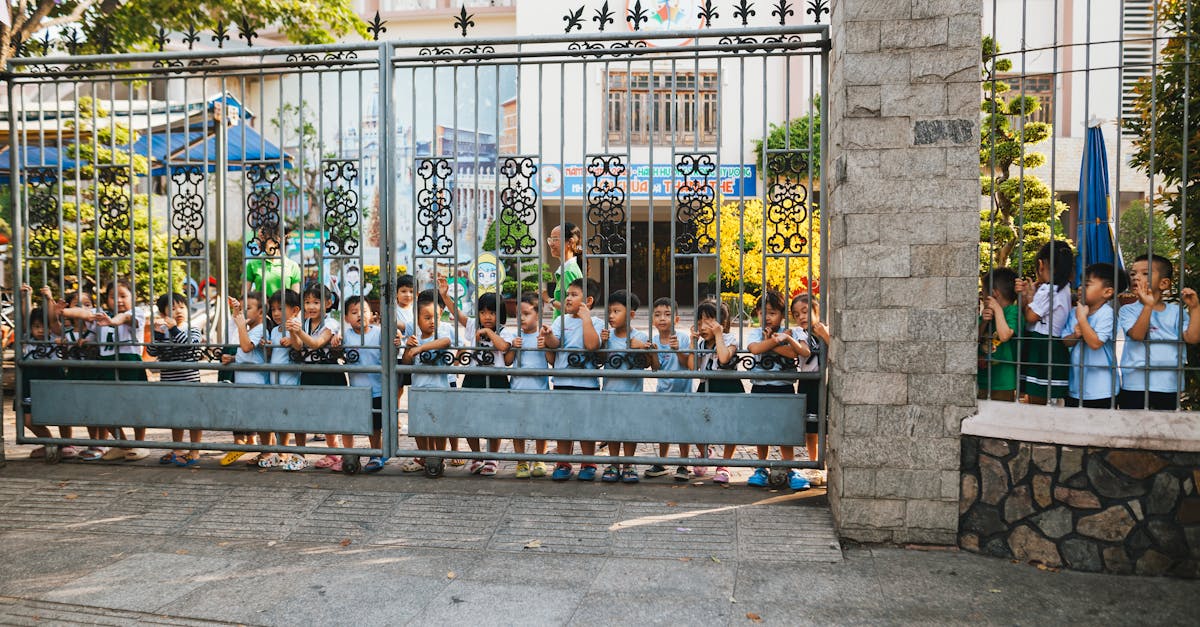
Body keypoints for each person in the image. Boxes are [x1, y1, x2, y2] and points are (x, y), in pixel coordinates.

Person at [745, 289, 810, 492]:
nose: (767, 316)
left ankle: (790, 468)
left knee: (785, 430)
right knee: (761, 430)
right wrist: (775, 341)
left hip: (784, 387)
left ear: (782, 315)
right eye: (762, 312)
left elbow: (793, 353)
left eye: (772, 312)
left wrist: (771, 343)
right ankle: (761, 467)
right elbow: (755, 349)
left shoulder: (792, 333)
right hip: (760, 387)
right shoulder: (756, 332)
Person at [1118, 254, 1200, 410]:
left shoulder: (1176, 312)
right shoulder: (1127, 310)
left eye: (1145, 273)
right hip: (1136, 383)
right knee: (1132, 428)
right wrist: (1148, 306)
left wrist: (1194, 308)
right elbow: (1137, 335)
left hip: (1169, 383)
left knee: (1164, 428)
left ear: (1164, 283)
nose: (1136, 278)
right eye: (1133, 273)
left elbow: (1192, 338)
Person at [455, 293, 516, 477]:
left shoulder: (504, 331)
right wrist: (445, 296)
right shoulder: (474, 325)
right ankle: (476, 455)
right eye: (482, 312)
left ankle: (492, 456)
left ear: (500, 313)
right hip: (474, 377)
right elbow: (458, 315)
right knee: (469, 416)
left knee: (494, 418)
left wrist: (489, 332)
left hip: (496, 378)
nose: (487, 317)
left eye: (491, 312)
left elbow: (504, 347)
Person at [550, 277, 604, 482]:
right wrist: (547, 337)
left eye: (574, 295)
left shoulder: (597, 323)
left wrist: (586, 319)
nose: (568, 299)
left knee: (586, 425)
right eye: (567, 295)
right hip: (562, 381)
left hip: (587, 383)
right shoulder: (560, 321)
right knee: (564, 424)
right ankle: (563, 462)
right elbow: (555, 344)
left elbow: (592, 346)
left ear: (587, 301)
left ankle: (588, 462)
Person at [599, 290, 656, 484]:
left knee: (630, 429)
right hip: (610, 392)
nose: (611, 316)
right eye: (609, 311)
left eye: (616, 311)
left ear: (631, 314)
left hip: (633, 393)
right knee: (613, 428)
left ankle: (629, 464)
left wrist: (643, 347)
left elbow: (651, 365)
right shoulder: (608, 337)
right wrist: (602, 343)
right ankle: (614, 462)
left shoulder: (640, 336)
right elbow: (599, 361)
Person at [92, 279, 150, 461]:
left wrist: (113, 321)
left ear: (133, 297)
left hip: (130, 363)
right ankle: (122, 444)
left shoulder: (137, 313)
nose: (118, 300)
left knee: (136, 405)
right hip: (107, 364)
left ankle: (139, 444)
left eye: (123, 296)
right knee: (105, 406)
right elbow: (84, 316)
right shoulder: (100, 316)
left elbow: (124, 318)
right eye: (112, 296)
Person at [147, 292, 206, 467]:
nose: (178, 311)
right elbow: (151, 352)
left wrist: (173, 329)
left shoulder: (192, 329)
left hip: (189, 381)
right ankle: (177, 449)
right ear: (164, 313)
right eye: (172, 308)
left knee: (193, 416)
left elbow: (188, 345)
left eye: (181, 307)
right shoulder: (163, 332)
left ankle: (194, 450)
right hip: (169, 381)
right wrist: (157, 334)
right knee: (176, 417)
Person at [293, 285, 348, 472]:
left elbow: (316, 344)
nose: (311, 306)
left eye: (316, 302)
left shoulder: (331, 323)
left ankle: (336, 452)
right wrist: (294, 334)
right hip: (309, 371)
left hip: (328, 372)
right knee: (313, 411)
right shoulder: (305, 323)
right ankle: (319, 453)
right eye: (307, 302)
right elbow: (299, 346)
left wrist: (298, 331)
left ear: (329, 303)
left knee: (332, 412)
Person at [402, 289, 455, 474]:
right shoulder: (414, 336)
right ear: (417, 319)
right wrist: (409, 348)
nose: (432, 321)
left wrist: (421, 348)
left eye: (435, 317)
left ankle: (439, 456)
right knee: (420, 426)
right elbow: (407, 362)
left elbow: (446, 342)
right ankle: (424, 456)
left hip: (439, 388)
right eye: (427, 317)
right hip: (418, 388)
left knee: (438, 425)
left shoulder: (443, 331)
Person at [1016, 240, 1075, 404]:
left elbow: (1030, 316)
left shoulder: (1049, 289)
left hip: (1042, 345)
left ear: (1041, 265)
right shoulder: (1063, 288)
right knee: (1043, 393)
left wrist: (1028, 296)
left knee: (1037, 394)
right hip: (1051, 343)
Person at [333, 295, 387, 472]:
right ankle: (349, 453)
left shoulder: (379, 332)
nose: (359, 315)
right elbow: (337, 352)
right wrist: (336, 345)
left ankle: (375, 454)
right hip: (356, 389)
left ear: (371, 314)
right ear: (347, 318)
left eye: (363, 311)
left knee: (375, 425)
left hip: (377, 389)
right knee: (351, 423)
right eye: (354, 312)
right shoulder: (345, 336)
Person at [1061, 263, 1127, 408]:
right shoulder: (1074, 312)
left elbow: (1096, 343)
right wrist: (1076, 334)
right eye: (1080, 284)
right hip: (1076, 386)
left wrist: (1083, 320)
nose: (1080, 288)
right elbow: (1065, 341)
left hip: (1103, 389)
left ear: (1107, 292)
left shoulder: (1106, 313)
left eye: (1087, 285)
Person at [646, 297, 696, 481]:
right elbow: (656, 368)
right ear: (652, 319)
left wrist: (677, 350)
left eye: (667, 315)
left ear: (676, 319)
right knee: (663, 426)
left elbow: (687, 363)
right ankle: (662, 461)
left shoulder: (681, 337)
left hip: (682, 390)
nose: (662, 318)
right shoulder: (655, 340)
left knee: (683, 426)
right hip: (663, 390)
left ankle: (684, 463)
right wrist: (652, 353)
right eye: (658, 315)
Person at [509, 293, 558, 478]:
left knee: (540, 425)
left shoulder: (543, 334)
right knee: (518, 425)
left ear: (538, 314)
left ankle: (539, 458)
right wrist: (513, 347)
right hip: (518, 388)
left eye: (526, 313)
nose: (521, 317)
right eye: (517, 313)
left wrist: (545, 346)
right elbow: (507, 362)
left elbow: (552, 361)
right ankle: (521, 461)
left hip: (539, 389)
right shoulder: (515, 336)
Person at [694, 299, 741, 485]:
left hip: (728, 386)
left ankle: (724, 465)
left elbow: (723, 358)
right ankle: (706, 452)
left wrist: (719, 335)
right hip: (706, 385)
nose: (703, 326)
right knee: (696, 422)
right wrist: (691, 341)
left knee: (730, 427)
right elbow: (693, 369)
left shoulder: (729, 339)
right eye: (700, 322)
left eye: (708, 321)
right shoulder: (700, 343)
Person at [17, 299, 69, 459]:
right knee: (28, 419)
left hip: (52, 375)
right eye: (37, 326)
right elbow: (26, 316)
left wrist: (48, 297)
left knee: (61, 414)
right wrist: (28, 295)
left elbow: (53, 319)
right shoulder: (27, 338)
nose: (40, 330)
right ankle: (50, 442)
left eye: (44, 326)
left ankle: (67, 444)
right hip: (31, 377)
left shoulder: (55, 335)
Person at [225, 292, 269, 465]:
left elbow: (246, 347)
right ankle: (263, 452)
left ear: (260, 312)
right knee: (252, 418)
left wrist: (241, 325)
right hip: (244, 382)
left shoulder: (260, 329)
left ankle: (267, 453)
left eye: (248, 309)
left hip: (256, 383)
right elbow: (249, 355)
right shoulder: (251, 328)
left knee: (262, 421)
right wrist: (233, 359)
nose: (243, 312)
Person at [262, 289, 304, 470]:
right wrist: (268, 346)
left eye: (281, 309)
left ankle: (298, 454)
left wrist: (292, 337)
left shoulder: (296, 327)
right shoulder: (275, 330)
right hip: (275, 380)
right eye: (273, 309)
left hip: (290, 381)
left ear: (295, 310)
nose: (276, 313)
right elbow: (275, 353)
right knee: (279, 417)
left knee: (293, 418)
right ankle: (282, 452)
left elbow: (299, 346)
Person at [791, 293, 830, 485]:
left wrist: (824, 334)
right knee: (810, 425)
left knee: (827, 422)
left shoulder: (826, 330)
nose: (801, 317)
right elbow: (802, 351)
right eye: (797, 314)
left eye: (805, 312)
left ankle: (827, 461)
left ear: (817, 310)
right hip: (807, 381)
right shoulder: (799, 333)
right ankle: (815, 462)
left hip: (826, 381)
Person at [978, 268, 1021, 402]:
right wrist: (984, 322)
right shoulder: (986, 313)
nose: (982, 296)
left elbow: (1004, 335)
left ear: (993, 294)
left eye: (983, 292)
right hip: (983, 378)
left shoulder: (1012, 311)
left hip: (1004, 381)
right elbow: (974, 338)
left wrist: (997, 309)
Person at [245, 226, 302, 297]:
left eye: (264, 238)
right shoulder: (252, 264)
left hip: (284, 307)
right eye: (258, 239)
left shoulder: (292, 266)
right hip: (262, 307)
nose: (259, 242)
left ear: (277, 240)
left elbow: (295, 298)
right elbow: (245, 297)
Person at [543, 222, 584, 317]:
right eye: (550, 239)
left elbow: (573, 308)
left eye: (555, 239)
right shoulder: (567, 269)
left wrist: (549, 299)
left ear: (570, 242)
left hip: (565, 329)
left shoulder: (568, 272)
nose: (551, 244)